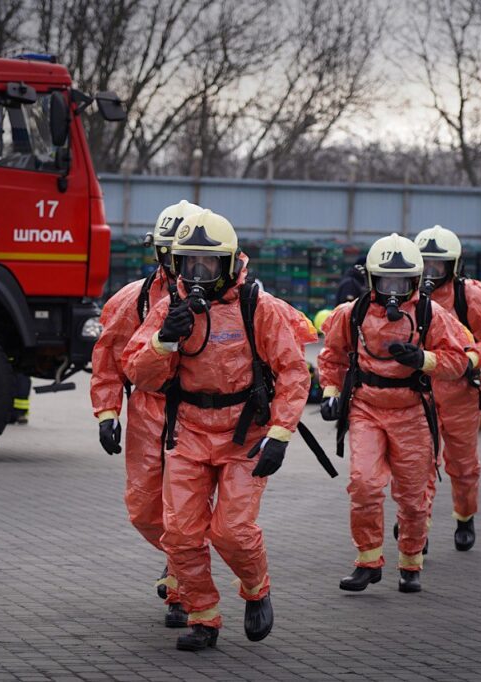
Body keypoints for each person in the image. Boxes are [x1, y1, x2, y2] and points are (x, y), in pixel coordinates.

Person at [123, 209, 315, 651]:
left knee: (232, 530)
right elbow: (141, 374)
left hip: (243, 435)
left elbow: (292, 372)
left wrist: (281, 435)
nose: (198, 274)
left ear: (229, 264)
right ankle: (203, 616)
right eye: (190, 264)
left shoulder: (257, 307)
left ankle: (256, 588)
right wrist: (163, 341)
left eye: (208, 265)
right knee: (182, 533)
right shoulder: (169, 308)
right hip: (188, 432)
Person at [318, 234, 469, 594]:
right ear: (372, 279)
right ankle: (368, 561)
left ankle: (410, 562)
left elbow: (460, 358)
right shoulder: (350, 314)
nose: (393, 291)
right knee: (365, 485)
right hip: (367, 408)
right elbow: (333, 358)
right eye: (385, 282)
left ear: (414, 281)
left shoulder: (432, 315)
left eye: (401, 283)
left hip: (412, 410)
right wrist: (330, 394)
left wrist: (423, 360)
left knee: (413, 496)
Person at [89, 199, 203, 629]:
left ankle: (182, 585)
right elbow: (108, 358)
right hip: (148, 409)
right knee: (143, 507)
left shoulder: (230, 299)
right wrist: (106, 413)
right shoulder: (133, 298)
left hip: (198, 415)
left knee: (184, 506)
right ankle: (180, 558)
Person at [413, 225, 481, 551]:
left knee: (463, 466)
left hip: (460, 394)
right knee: (417, 463)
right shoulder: (404, 296)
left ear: (453, 266)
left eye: (437, 265)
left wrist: (471, 359)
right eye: (424, 263)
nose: (430, 272)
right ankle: (417, 525)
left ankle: (465, 516)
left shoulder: (472, 295)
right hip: (417, 394)